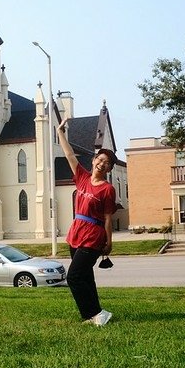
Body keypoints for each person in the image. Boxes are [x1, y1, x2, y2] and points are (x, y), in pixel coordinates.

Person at [57, 116, 118, 326]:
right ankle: (96, 315)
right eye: (99, 159)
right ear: (93, 161)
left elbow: (108, 217)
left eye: (106, 163)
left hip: (93, 236)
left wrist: (109, 242)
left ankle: (94, 313)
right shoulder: (82, 177)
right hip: (76, 233)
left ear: (109, 169)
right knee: (86, 278)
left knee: (74, 277)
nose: (102, 163)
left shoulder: (108, 189)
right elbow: (68, 154)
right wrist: (60, 132)